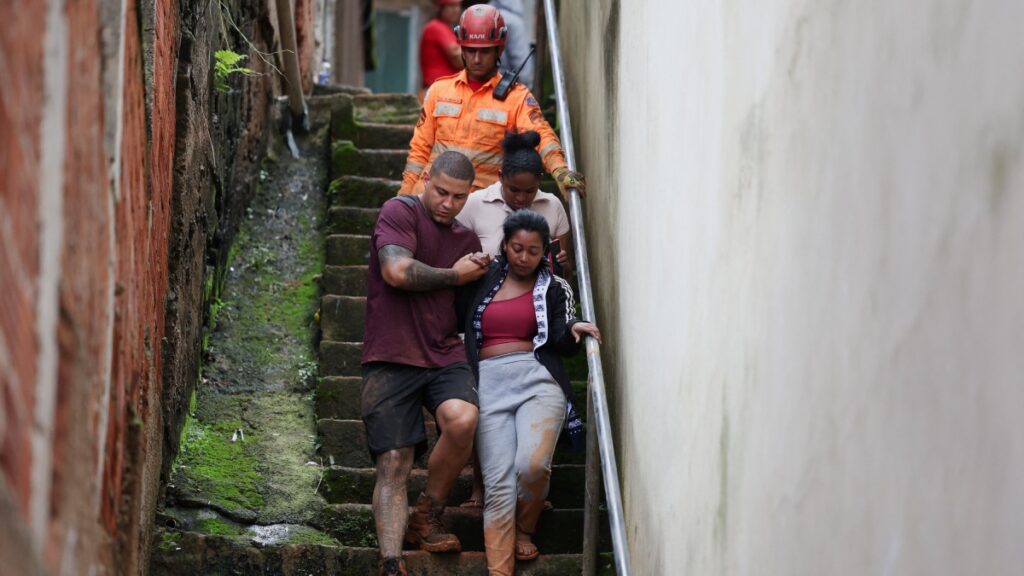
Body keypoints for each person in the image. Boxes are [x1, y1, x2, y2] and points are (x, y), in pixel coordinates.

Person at [361, 151, 492, 576]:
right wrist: (455, 275)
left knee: (463, 418)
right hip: (392, 352)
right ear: (426, 181)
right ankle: (391, 560)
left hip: (443, 352)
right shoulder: (399, 212)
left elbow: (471, 307)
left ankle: (428, 513)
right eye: (441, 192)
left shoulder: (467, 241)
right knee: (395, 460)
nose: (447, 203)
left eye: (458, 197)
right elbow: (396, 271)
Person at [459, 209, 601, 576]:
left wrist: (574, 327)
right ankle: (499, 571)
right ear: (505, 245)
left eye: (532, 251)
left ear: (545, 252)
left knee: (532, 465)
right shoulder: (482, 277)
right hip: (489, 384)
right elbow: (452, 316)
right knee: (499, 483)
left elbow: (560, 334)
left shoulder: (555, 286)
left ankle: (527, 526)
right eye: (517, 248)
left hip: (538, 380)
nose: (523, 257)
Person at [400, 3, 585, 199]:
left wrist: (560, 171)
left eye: (485, 51)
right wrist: (405, 195)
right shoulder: (438, 91)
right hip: (432, 198)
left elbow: (542, 135)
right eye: (470, 51)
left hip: (481, 204)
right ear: (461, 48)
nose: (477, 59)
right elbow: (419, 152)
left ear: (499, 50)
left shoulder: (517, 98)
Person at [459, 130, 573, 276]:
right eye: (513, 190)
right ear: (500, 176)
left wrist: (562, 264)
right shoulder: (473, 204)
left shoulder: (553, 205)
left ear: (540, 180)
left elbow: (565, 273)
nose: (521, 198)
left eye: (529, 191)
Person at [419, 0, 463, 92]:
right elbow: (458, 59)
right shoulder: (436, 27)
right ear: (440, 8)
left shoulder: (448, 29)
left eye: (457, 6)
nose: (456, 10)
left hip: (444, 91)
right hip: (435, 92)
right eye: (451, 6)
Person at [489, 0, 534, 90]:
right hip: (504, 90)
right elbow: (523, 73)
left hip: (483, 86)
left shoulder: (485, 15)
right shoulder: (514, 23)